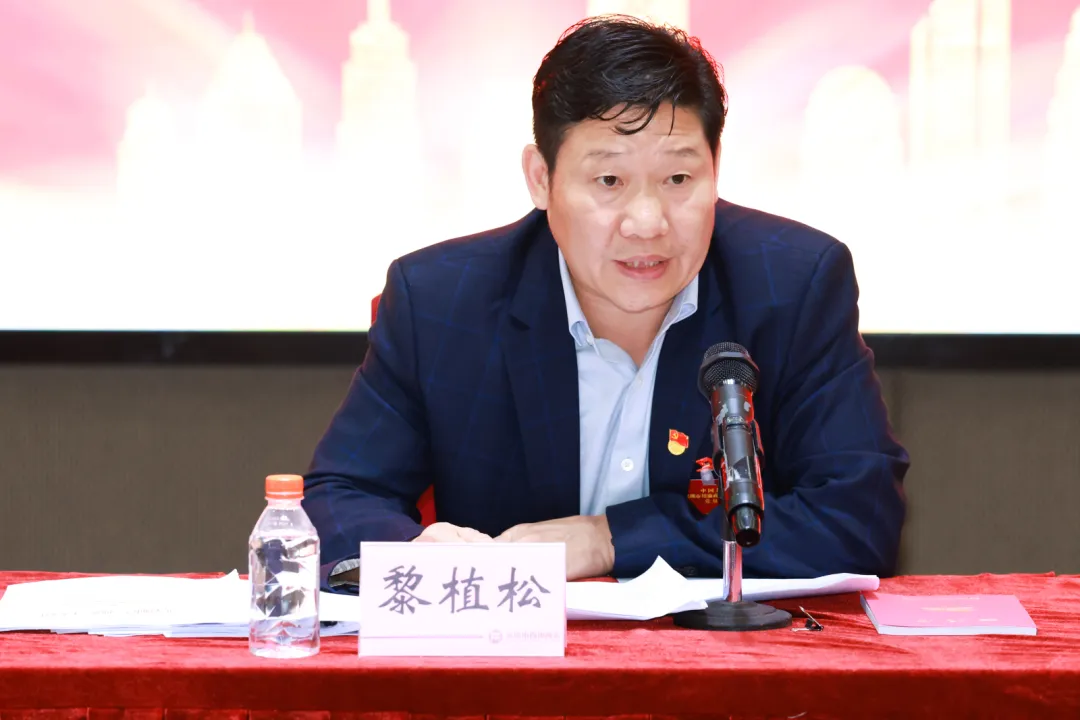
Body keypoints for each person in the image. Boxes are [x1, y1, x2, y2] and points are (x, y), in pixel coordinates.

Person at [303, 15, 908, 591]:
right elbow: (337, 500)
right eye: (609, 181)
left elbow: (858, 516)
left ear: (715, 168)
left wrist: (610, 539)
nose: (647, 222)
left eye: (678, 179)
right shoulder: (441, 302)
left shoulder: (792, 286)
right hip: (516, 654)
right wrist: (417, 552)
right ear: (541, 178)